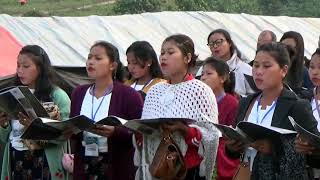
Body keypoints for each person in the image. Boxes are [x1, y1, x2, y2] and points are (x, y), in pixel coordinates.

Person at [225, 42, 319, 179]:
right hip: (245, 173)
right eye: (256, 65)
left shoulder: (297, 106)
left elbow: (315, 155)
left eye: (267, 66)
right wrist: (232, 147)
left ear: (283, 70)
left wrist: (275, 148)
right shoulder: (246, 102)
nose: (258, 71)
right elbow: (234, 151)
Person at [134, 34, 219, 180]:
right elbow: (143, 132)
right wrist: (139, 130)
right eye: (162, 53)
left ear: (187, 57)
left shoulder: (200, 90)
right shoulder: (155, 91)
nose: (163, 57)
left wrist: (184, 129)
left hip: (186, 168)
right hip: (157, 167)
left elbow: (212, 136)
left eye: (170, 52)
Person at [69, 41, 143, 180]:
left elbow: (140, 132)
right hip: (84, 164)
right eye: (89, 57)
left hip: (116, 167)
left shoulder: (129, 95)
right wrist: (68, 130)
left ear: (112, 65)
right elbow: (74, 129)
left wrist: (115, 132)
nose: (91, 62)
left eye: (98, 58)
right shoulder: (78, 93)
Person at [0, 45, 71, 180]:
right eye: (18, 65)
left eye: (26, 66)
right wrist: (3, 125)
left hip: (44, 161)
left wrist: (34, 128)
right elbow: (5, 138)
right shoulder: (13, 94)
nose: (20, 71)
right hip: (16, 158)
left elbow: (64, 135)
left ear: (41, 68)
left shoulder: (58, 96)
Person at [200, 57, 239, 180]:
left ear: (222, 78)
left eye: (209, 73)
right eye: (202, 74)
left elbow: (231, 136)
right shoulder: (198, 100)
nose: (203, 77)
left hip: (220, 156)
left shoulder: (232, 103)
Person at [207, 29, 256, 96]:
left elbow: (257, 97)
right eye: (211, 44)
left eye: (219, 42)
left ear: (229, 43)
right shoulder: (203, 70)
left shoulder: (246, 70)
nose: (215, 46)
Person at [295, 48, 320, 174]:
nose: (315, 72)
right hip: (304, 169)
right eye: (312, 66)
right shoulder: (303, 96)